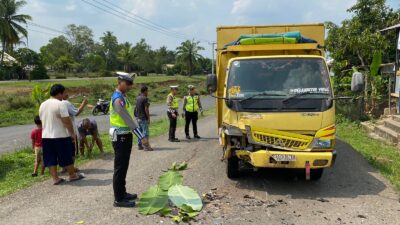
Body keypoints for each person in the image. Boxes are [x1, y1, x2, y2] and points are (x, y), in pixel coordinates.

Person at [110, 72, 150, 208]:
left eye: (130, 84)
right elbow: (127, 119)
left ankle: (123, 192)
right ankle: (119, 199)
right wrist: (141, 136)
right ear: (120, 82)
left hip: (124, 136)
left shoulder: (122, 97)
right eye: (127, 84)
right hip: (120, 136)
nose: (129, 87)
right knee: (120, 168)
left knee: (124, 166)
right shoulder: (117, 99)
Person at [39, 84, 84, 185]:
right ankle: (72, 175)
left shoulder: (43, 104)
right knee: (66, 155)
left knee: (50, 157)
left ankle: (55, 178)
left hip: (46, 136)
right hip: (60, 135)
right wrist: (72, 133)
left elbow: (42, 120)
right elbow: (66, 121)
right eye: (64, 93)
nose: (64, 95)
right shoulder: (61, 104)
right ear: (59, 93)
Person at [62, 90, 88, 157]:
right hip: (69, 132)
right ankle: (71, 167)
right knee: (72, 153)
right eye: (65, 93)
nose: (67, 94)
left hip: (58, 133)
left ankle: (65, 167)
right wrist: (83, 104)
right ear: (60, 94)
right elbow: (76, 112)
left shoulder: (53, 103)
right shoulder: (65, 103)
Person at [135, 85, 153, 151]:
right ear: (145, 91)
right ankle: (146, 146)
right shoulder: (145, 98)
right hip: (143, 118)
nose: (147, 92)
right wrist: (148, 118)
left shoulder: (137, 98)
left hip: (138, 117)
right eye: (147, 91)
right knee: (145, 133)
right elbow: (146, 109)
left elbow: (136, 108)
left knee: (140, 132)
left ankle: (139, 145)